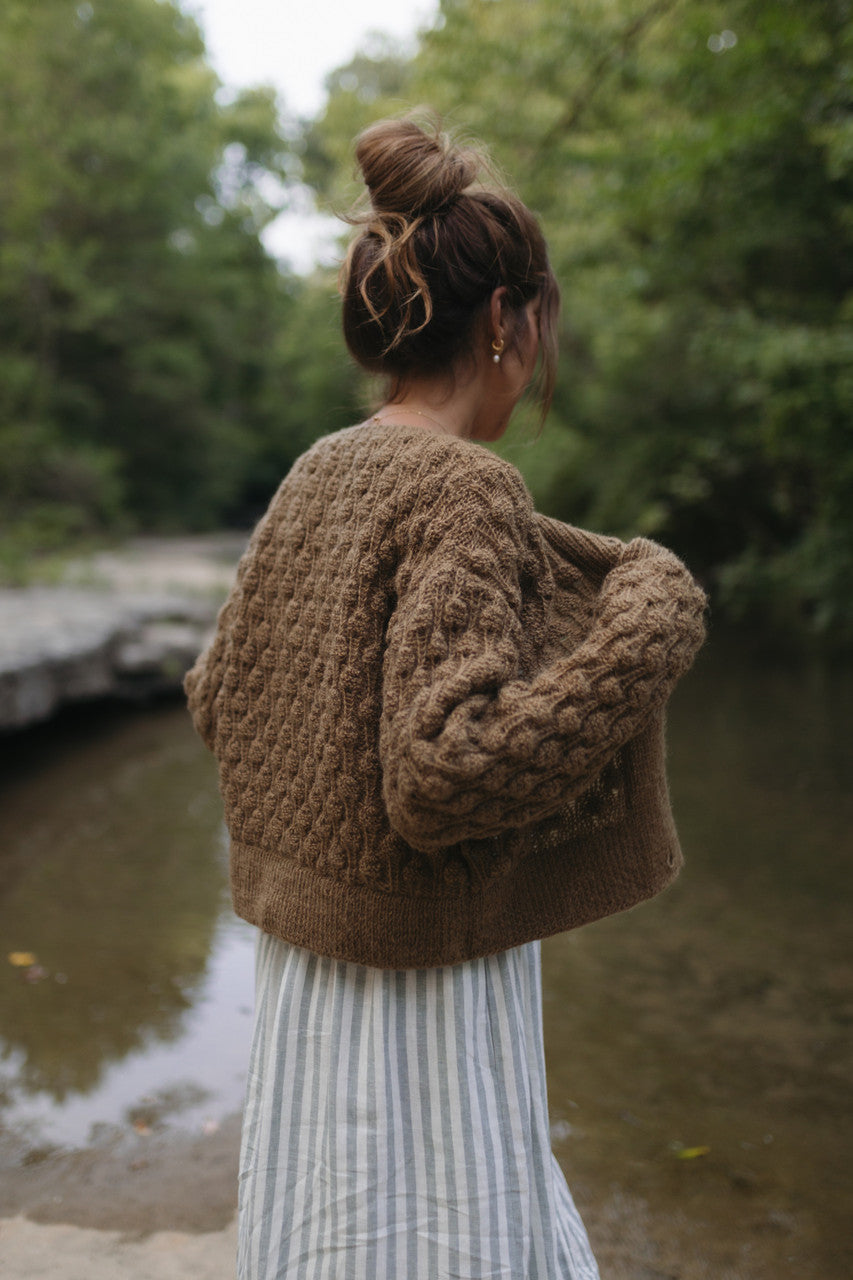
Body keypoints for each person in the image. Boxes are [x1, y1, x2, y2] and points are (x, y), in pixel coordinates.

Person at [184, 115, 706, 1280]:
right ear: (509, 322)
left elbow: (220, 691)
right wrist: (644, 629)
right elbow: (448, 769)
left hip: (315, 978)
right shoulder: (466, 488)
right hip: (422, 997)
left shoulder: (321, 468)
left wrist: (321, 812)